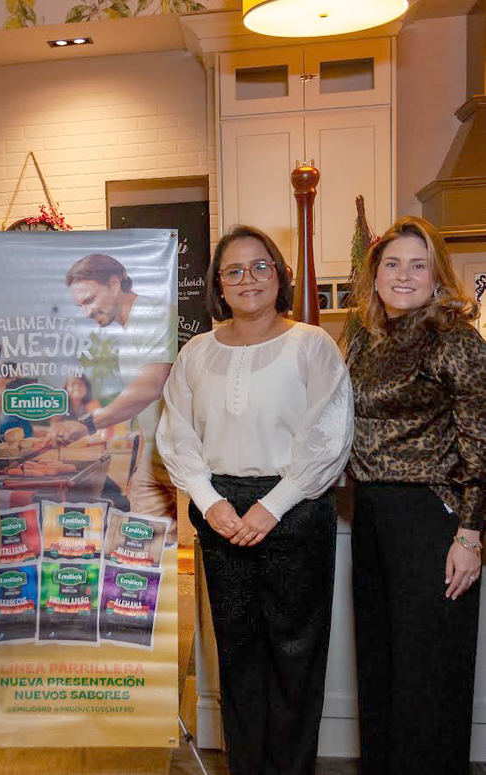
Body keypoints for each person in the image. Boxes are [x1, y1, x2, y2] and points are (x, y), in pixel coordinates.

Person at [156, 225, 354, 775]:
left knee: (295, 659)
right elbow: (176, 434)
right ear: (218, 285)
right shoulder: (196, 353)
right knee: (238, 660)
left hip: (295, 509)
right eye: (235, 270)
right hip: (220, 514)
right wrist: (209, 501)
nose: (249, 279)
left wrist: (274, 505)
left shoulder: (311, 344)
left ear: (280, 275)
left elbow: (330, 434)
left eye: (261, 266)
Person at [346, 215, 486, 775]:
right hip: (373, 513)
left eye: (417, 264)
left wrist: (471, 535)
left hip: (433, 518)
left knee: (429, 677)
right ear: (375, 274)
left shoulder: (454, 338)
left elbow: (482, 442)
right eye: (392, 264)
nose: (403, 276)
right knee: (381, 670)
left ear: (437, 275)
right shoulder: (365, 336)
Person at [61, 252, 177, 518]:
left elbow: (151, 385)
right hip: (152, 454)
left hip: (176, 455)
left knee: (157, 544)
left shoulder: (151, 313)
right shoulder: (129, 326)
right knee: (147, 545)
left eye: (89, 300)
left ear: (115, 283)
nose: (86, 312)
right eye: (80, 306)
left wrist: (86, 423)